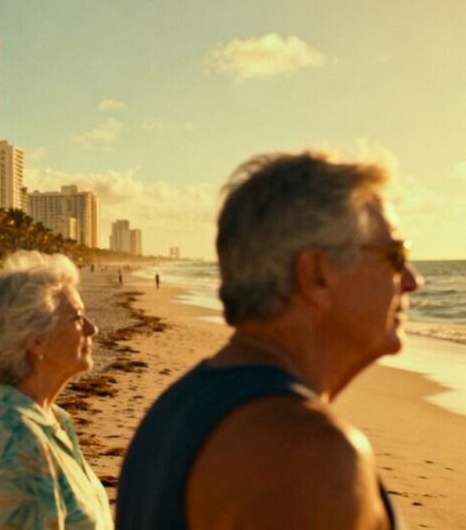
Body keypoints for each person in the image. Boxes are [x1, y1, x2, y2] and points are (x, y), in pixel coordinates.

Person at [116, 151, 421, 530]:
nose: (411, 279)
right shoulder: (306, 452)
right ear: (317, 275)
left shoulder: (177, 409)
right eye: (395, 255)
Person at [0, 251, 113, 529]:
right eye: (76, 317)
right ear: (35, 338)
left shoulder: (47, 418)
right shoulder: (19, 447)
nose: (92, 329)